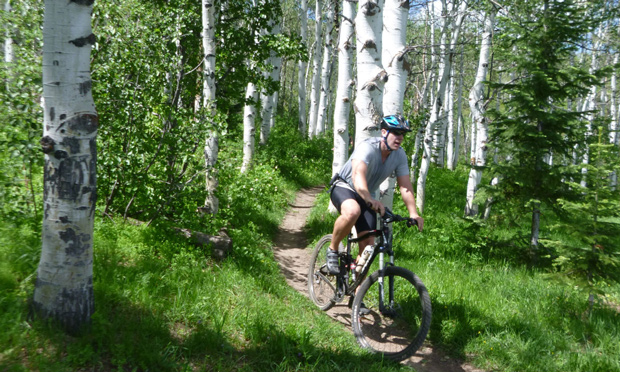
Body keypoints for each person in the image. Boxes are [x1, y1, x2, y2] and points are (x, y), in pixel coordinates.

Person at [327, 114, 424, 275]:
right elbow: (357, 175)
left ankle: (357, 294)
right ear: (384, 132)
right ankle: (332, 249)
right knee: (352, 211)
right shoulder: (368, 147)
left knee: (368, 246)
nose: (400, 138)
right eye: (396, 133)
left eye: (402, 134)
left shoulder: (399, 155)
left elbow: (405, 186)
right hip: (345, 186)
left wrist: (414, 213)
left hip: (368, 196)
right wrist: (369, 199)